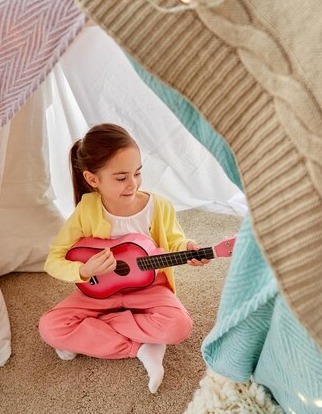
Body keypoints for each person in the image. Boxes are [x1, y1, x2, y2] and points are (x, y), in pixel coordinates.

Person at [38, 123, 209, 394]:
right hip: (98, 292)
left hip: (148, 288)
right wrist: (84, 270)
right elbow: (53, 260)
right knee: (50, 327)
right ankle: (141, 346)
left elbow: (175, 241)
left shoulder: (158, 206)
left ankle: (93, 333)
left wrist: (188, 247)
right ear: (93, 179)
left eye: (138, 173)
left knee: (179, 326)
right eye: (121, 178)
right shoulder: (87, 209)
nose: (133, 184)